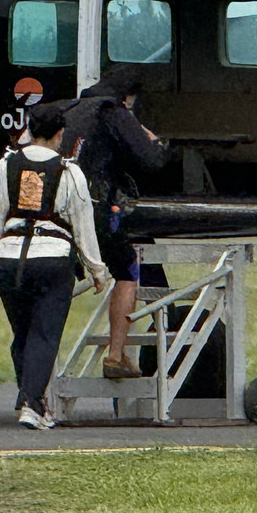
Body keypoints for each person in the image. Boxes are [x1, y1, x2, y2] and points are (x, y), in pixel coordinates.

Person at [0, 102, 110, 430]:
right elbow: (83, 223)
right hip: (52, 260)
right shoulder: (69, 171)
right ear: (60, 134)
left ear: (30, 130)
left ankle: (30, 396)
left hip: (8, 258)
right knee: (45, 334)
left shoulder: (3, 167)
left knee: (23, 334)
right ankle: (32, 404)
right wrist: (97, 269)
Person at [58, 72, 168, 379]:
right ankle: (116, 354)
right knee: (127, 270)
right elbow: (151, 161)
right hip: (96, 209)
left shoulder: (71, 109)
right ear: (128, 96)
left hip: (55, 213)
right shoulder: (114, 112)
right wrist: (154, 140)